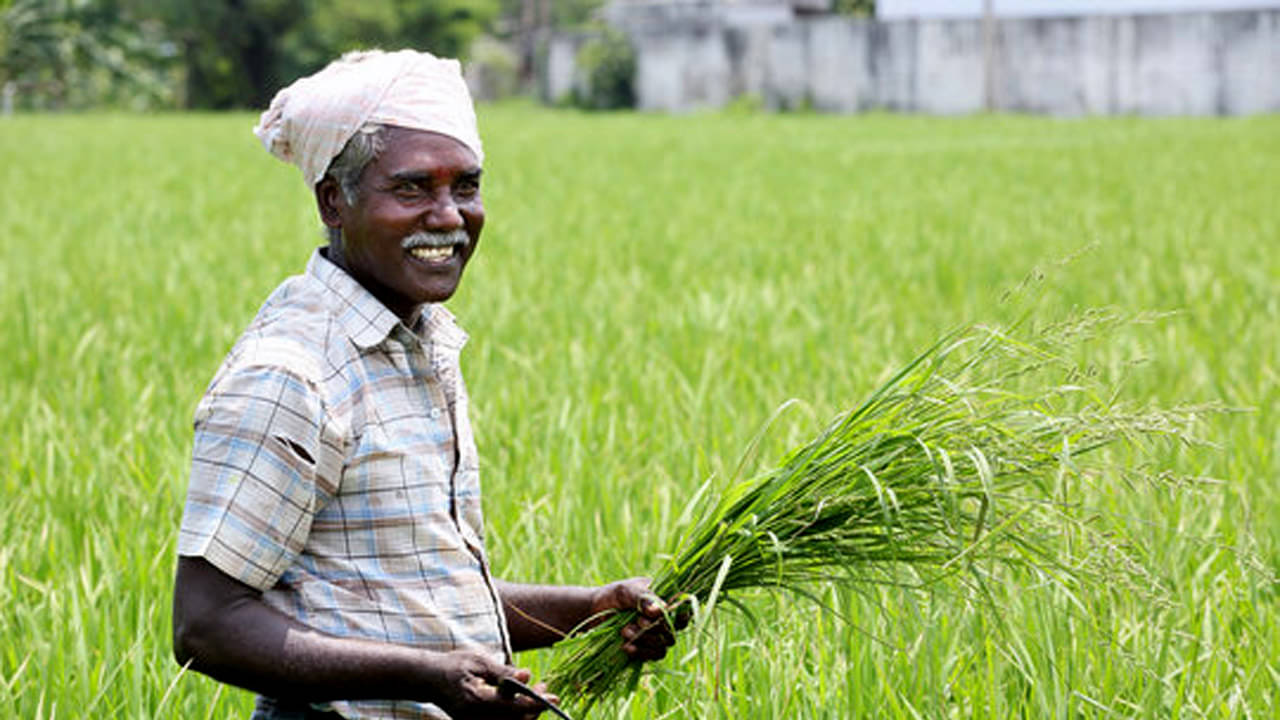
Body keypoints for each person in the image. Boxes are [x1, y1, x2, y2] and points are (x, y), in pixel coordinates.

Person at [172, 49, 676, 720]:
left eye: (465, 187)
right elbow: (207, 625)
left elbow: (419, 595)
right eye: (411, 189)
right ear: (333, 201)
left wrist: (590, 609)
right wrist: (429, 677)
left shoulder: (419, 344)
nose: (448, 216)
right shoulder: (291, 374)